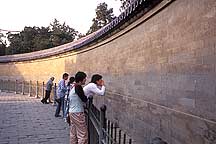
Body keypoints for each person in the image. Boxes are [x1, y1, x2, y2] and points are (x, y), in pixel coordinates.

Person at [68, 71, 88, 144]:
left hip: (72, 112)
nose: (85, 80)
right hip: (78, 113)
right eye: (84, 78)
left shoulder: (73, 87)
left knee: (73, 133)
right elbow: (84, 99)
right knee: (82, 134)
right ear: (81, 79)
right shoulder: (78, 87)